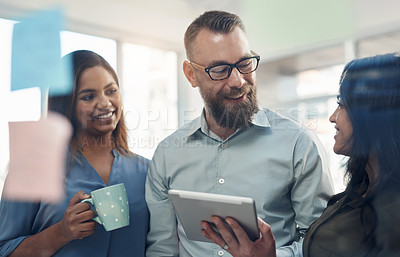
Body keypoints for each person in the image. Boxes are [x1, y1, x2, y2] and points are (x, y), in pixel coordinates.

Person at [145, 10, 334, 257]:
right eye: (220, 69)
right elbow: (162, 248)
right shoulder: (167, 154)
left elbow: (322, 243)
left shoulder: (299, 145)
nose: (237, 81)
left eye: (244, 64)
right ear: (192, 74)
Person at [206, 53, 400, 257]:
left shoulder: (392, 213)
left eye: (342, 105)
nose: (333, 117)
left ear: (376, 118)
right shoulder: (361, 189)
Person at [0, 50, 149, 256]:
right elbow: (4, 250)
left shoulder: (147, 171)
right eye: (88, 96)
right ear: (66, 104)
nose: (105, 103)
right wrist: (62, 232)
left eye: (111, 91)